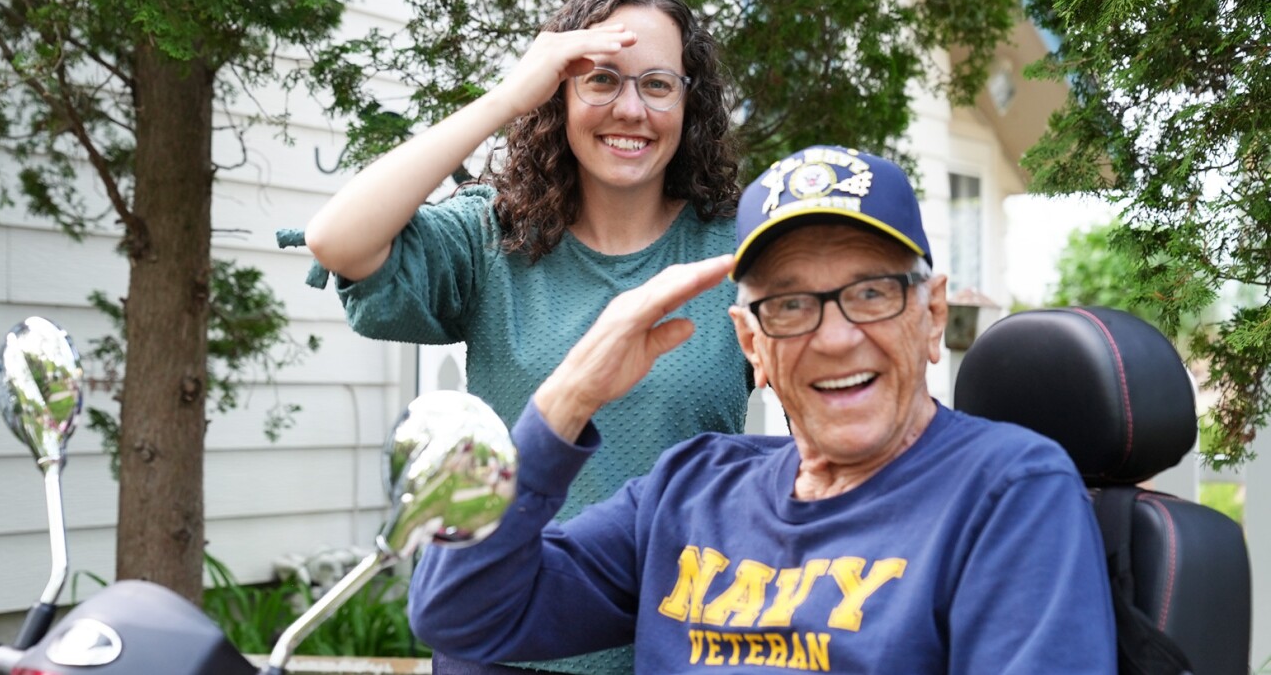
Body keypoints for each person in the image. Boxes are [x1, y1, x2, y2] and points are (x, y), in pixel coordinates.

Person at [407, 145, 1118, 674]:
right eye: (789, 304)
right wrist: (569, 395)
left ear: (932, 315)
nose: (835, 337)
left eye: (872, 292)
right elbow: (460, 614)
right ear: (753, 341)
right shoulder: (689, 488)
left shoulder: (1009, 491)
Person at [293, 0, 751, 674]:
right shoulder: (493, 237)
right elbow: (337, 238)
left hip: (677, 647)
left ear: (690, 102)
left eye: (658, 84)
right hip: (499, 639)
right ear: (557, 95)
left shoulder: (740, 249)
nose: (631, 109)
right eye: (601, 80)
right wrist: (508, 95)